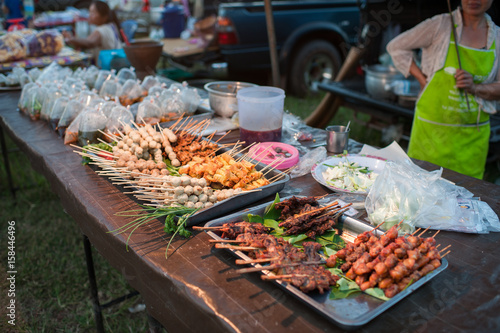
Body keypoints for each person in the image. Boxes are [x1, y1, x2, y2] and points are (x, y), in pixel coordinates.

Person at [387, 0, 500, 179]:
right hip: (429, 135)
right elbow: (396, 47)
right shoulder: (439, 25)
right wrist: (422, 79)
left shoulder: (498, 38)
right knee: (419, 191)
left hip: (471, 140)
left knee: (463, 200)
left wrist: (475, 87)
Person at [64, 0, 122, 65]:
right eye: (90, 12)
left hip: (108, 68)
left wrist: (71, 39)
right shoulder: (111, 25)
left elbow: (89, 43)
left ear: (104, 17)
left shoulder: (102, 30)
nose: (89, 16)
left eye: (93, 13)